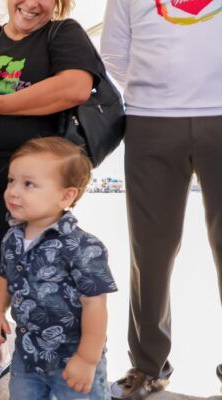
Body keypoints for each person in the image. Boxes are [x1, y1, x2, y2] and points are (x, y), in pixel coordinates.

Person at [0, 0, 99, 393]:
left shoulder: (62, 33)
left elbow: (76, 86)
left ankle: (33, 360)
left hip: (17, 179)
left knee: (15, 270)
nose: (30, 3)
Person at [100, 1, 222, 398]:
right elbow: (115, 54)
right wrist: (160, 90)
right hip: (151, 120)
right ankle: (149, 366)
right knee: (149, 251)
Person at [0, 137, 117, 398]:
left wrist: (87, 360)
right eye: (11, 180)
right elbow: (5, 277)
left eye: (28, 184)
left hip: (72, 357)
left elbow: (95, 305)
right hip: (27, 353)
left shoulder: (84, 247)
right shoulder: (12, 237)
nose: (13, 191)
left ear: (65, 196)